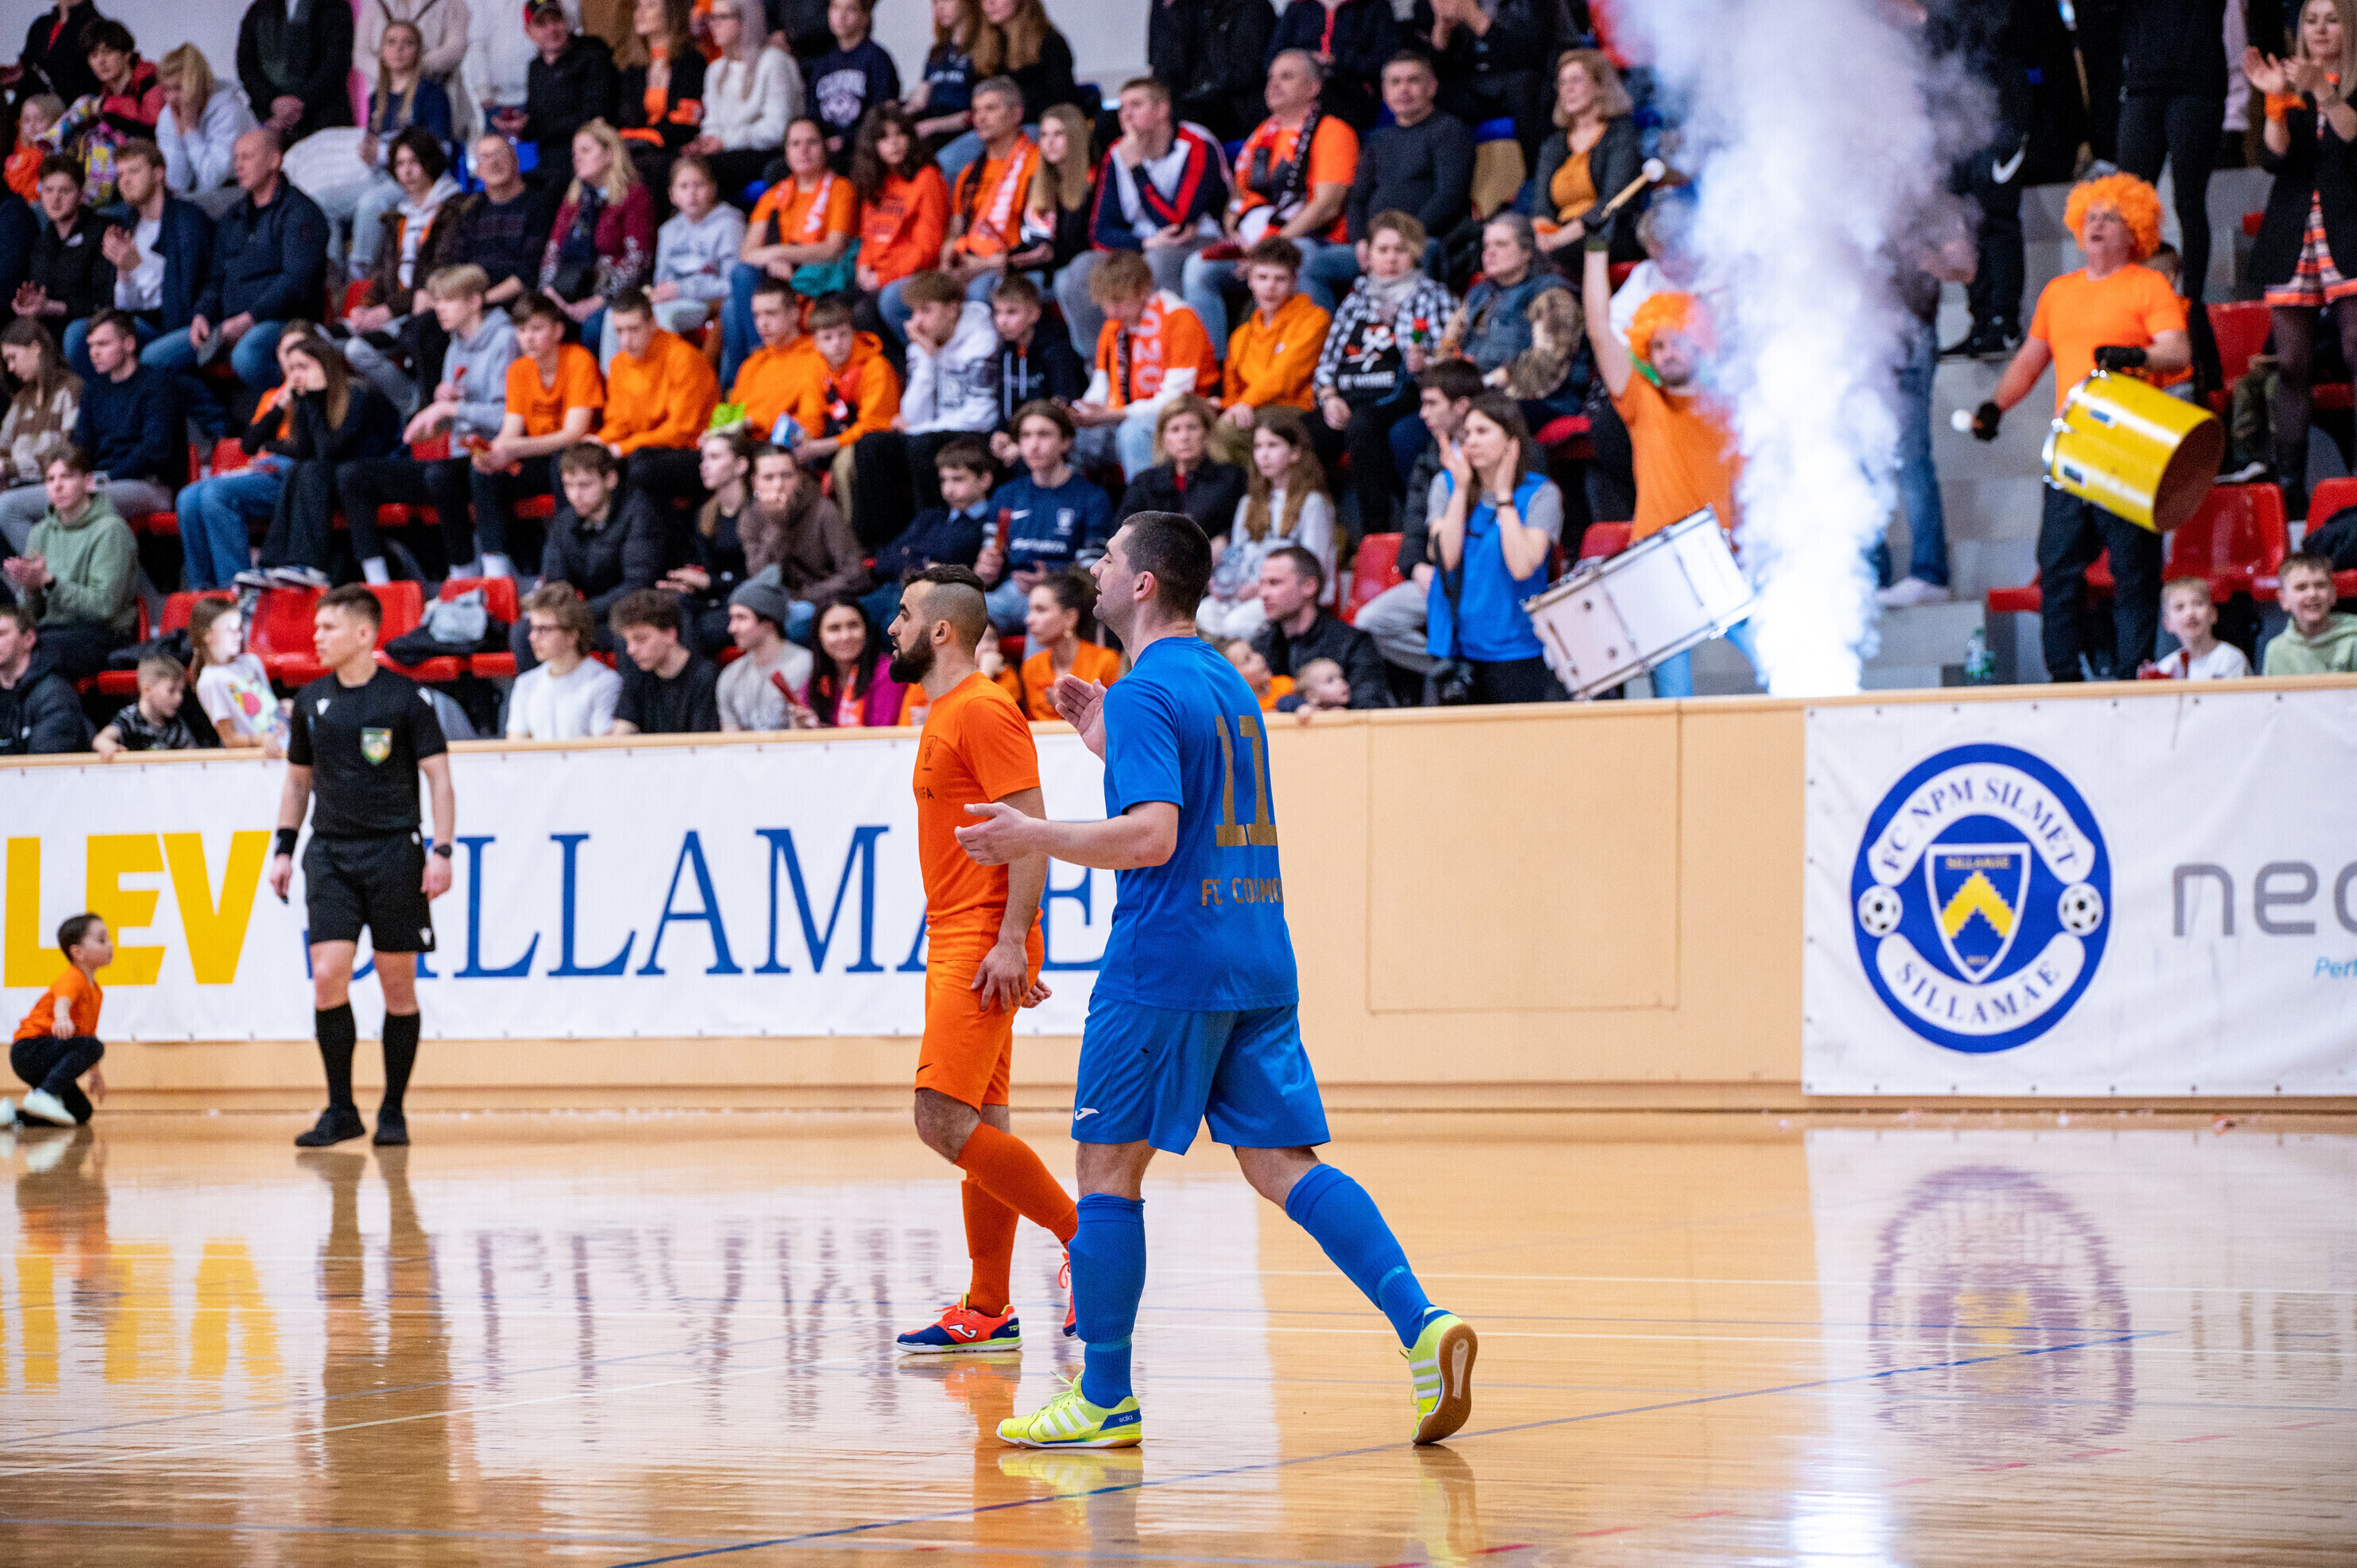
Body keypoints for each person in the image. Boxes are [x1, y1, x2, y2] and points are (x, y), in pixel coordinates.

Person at [957, 510, 1473, 1450]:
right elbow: (1194, 795)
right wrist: (1108, 738)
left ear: (1143, 583)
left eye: (1110, 556)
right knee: (1282, 1165)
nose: (1096, 568)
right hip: (1257, 953)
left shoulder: (1146, 689)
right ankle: (1423, 1326)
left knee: (1106, 1169)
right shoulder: (1227, 681)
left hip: (1166, 962)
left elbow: (1153, 837)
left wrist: (1032, 834)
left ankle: (1104, 1396)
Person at [880, 561, 1080, 1351]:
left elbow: (1030, 833)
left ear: (940, 630)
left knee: (939, 1118)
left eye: (902, 615)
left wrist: (1010, 942)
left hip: (981, 935)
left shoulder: (984, 709)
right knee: (983, 1120)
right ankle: (989, 1305)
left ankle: (1086, 1241)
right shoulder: (944, 710)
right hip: (959, 934)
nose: (891, 627)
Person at [1971, 174, 2191, 681]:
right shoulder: (2058, 291)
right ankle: (2063, 676)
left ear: (2134, 230)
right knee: (2057, 566)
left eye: (2111, 217)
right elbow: (2031, 359)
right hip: (2072, 446)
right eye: (2091, 216)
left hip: (2130, 448)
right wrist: (1996, 405)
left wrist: (2136, 356)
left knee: (2134, 569)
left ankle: (2130, 674)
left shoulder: (2148, 285)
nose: (2097, 224)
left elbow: (2178, 350)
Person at [267, 583, 455, 1149]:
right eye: (316, 627)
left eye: (328, 627)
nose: (317, 637)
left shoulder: (406, 699)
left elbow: (440, 780)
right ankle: (341, 1109)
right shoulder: (310, 700)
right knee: (328, 975)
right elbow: (297, 783)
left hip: (395, 851)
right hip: (329, 853)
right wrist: (283, 849)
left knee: (398, 986)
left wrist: (442, 850)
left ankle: (393, 1108)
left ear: (364, 633)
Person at [1582, 240, 1751, 699]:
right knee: (1673, 700)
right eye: (1656, 346)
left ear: (1699, 342)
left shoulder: (1731, 407)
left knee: (1778, 667)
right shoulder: (1642, 399)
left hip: (1719, 558)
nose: (1666, 354)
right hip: (1656, 560)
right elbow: (1599, 329)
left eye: (1676, 341)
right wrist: (1596, 248)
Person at [337, 265, 519, 584]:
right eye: (436, 301)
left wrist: (452, 407)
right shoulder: (454, 345)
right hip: (459, 456)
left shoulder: (505, 340)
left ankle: (473, 575)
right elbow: (449, 423)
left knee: (443, 475)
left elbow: (509, 416)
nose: (439, 309)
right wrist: (434, 419)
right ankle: (378, 584)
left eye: (448, 300)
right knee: (353, 475)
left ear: (475, 301)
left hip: (499, 457)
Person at [2248, 9, 2357, 516]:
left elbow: (2351, 140)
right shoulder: (2289, 83)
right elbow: (2275, 158)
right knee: (2291, 365)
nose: (2319, 29)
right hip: (2294, 232)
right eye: (2311, 20)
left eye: (2332, 19)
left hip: (2349, 230)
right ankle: (2289, 493)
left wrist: (2324, 93)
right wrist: (2276, 102)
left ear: (2351, 27)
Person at [1185, 49, 1358, 350]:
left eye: (1287, 77)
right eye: (1271, 77)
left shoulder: (1333, 131)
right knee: (1198, 268)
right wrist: (1237, 237)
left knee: (1301, 257)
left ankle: (1322, 362)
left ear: (1313, 88)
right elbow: (1236, 199)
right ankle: (1216, 367)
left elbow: (1326, 206)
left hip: (1315, 241)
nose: (1273, 85)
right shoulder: (1261, 133)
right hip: (1257, 244)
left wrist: (1269, 250)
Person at [149, 128, 330, 395]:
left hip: (284, 322)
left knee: (246, 355)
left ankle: (296, 404)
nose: (238, 166)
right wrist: (202, 314)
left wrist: (250, 318)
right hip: (227, 325)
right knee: (152, 360)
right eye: (236, 158)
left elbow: (296, 282)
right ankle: (212, 416)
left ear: (274, 161)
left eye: (247, 157)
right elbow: (215, 279)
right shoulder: (233, 217)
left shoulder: (300, 212)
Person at [1065, 77, 1230, 357]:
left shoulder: (1196, 143)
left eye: (1136, 105)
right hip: (1145, 242)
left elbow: (1177, 222)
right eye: (1122, 108)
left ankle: (1171, 360)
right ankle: (1102, 365)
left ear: (1162, 109)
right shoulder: (1117, 152)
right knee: (1081, 270)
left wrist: (1137, 170)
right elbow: (1100, 231)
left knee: (1159, 262)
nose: (1126, 115)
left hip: (1200, 238)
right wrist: (1143, 243)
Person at [1314, 211, 1455, 537]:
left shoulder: (1434, 296)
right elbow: (1327, 363)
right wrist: (1329, 396)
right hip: (1349, 396)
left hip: (1404, 396)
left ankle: (1374, 535)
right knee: (1296, 435)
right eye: (1383, 250)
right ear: (1369, 254)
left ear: (1415, 253)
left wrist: (1426, 362)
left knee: (1364, 427)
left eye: (1400, 250)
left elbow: (1450, 364)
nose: (1391, 259)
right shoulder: (1355, 300)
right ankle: (1316, 537)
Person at [1423, 392, 1559, 704]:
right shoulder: (1445, 485)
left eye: (1483, 431)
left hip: (1516, 648)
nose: (1471, 441)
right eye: (1467, 433)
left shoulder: (1541, 494)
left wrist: (1503, 496)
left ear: (1512, 442)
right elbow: (1445, 558)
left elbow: (1522, 566)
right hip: (1455, 651)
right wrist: (1460, 490)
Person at [1312, 53, 1470, 313]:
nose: (1403, 89)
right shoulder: (1378, 139)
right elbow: (1357, 200)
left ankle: (1416, 332)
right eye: (1395, 82)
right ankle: (1332, 332)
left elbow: (1449, 198)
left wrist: (1400, 241)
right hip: (1374, 246)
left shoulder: (1449, 131)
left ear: (1432, 87)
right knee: (1312, 264)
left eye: (1413, 81)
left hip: (1423, 241)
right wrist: (1361, 241)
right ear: (1385, 92)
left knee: (1426, 251)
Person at [1355, 357, 1481, 684]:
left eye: (1431, 403)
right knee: (1371, 621)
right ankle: (1450, 669)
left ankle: (1471, 664)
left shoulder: (1503, 451)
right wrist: (1415, 567)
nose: (1422, 414)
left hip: (1486, 575)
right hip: (1440, 574)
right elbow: (1414, 524)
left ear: (1461, 406)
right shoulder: (1430, 457)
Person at [249, 334, 403, 585]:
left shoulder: (357, 393)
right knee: (299, 469)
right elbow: (305, 450)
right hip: (341, 475)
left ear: (325, 365)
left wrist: (311, 400)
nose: (296, 376)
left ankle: (309, 564)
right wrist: (273, 440)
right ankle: (271, 562)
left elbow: (327, 451)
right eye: (292, 369)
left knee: (311, 469)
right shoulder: (310, 398)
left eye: (303, 367)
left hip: (375, 474)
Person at [174, 322, 314, 589]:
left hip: (292, 477)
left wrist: (271, 447)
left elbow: (304, 449)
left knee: (216, 495)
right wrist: (281, 405)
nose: (293, 360)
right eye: (286, 352)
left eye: (301, 350)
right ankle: (204, 595)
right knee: (187, 498)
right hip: (263, 472)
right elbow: (250, 444)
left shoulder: (319, 394)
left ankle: (236, 589)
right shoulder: (274, 396)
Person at [338, 129, 467, 415]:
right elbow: (384, 274)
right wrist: (367, 306)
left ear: (430, 162)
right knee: (318, 339)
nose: (406, 172)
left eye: (414, 162)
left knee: (356, 350)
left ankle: (412, 405)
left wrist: (386, 311)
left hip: (418, 311)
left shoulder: (453, 208)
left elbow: (437, 273)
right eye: (399, 164)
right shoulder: (399, 214)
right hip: (393, 311)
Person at [863, 268, 1000, 527]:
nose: (916, 322)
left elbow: (982, 415)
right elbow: (914, 416)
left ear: (952, 309)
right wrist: (927, 358)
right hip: (935, 431)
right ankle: (881, 541)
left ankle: (930, 529)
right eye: (913, 311)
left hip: (975, 433)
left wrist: (922, 429)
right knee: (872, 446)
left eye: (926, 310)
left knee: (921, 444)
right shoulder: (923, 341)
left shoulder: (982, 340)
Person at [721, 117, 854, 376]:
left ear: (825, 147)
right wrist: (773, 259)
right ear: (786, 152)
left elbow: (833, 249)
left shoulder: (841, 189)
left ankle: (759, 366)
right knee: (739, 281)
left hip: (815, 280)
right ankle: (743, 379)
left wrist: (779, 253)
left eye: (811, 143)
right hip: (777, 281)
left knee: (731, 309)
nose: (803, 150)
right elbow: (747, 254)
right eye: (795, 144)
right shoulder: (774, 194)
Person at [1076, 249, 1222, 479]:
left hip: (1186, 413)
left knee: (1133, 432)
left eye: (1119, 302)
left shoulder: (1179, 319)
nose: (1111, 312)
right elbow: (1100, 389)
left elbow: (1174, 400)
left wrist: (1112, 415)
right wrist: (1080, 411)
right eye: (1105, 303)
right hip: (1126, 413)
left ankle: (1145, 501)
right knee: (1065, 434)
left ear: (1143, 291)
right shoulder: (1113, 326)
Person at [73, 139, 211, 380]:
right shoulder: (130, 224)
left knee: (145, 354)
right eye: (121, 175)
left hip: (178, 327)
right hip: (139, 324)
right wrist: (124, 274)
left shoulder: (187, 221)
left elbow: (183, 302)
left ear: (158, 174)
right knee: (78, 334)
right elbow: (125, 306)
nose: (125, 181)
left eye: (134, 171)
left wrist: (136, 266)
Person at [3, 446, 137, 679]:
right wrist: (32, 589)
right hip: (51, 631)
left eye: (66, 477)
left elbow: (104, 607)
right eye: (50, 479)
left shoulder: (111, 530)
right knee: (9, 647)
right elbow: (31, 615)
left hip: (102, 635)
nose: (57, 486)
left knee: (37, 654)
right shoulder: (40, 532)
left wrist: (50, 582)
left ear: (88, 482)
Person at [980, 400, 1114, 633]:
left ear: (1066, 441)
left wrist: (1052, 578)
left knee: (1043, 617)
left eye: (1044, 435)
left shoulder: (1092, 497)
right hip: (1011, 592)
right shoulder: (1006, 494)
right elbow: (990, 559)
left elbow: (1092, 572)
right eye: (1026, 436)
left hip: (1063, 596)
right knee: (964, 613)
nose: (1033, 445)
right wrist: (985, 569)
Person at [918, 77, 1036, 337]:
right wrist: (949, 253)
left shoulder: (1036, 163)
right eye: (976, 110)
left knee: (978, 291)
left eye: (991, 109)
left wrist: (984, 265)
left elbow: (1039, 235)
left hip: (1013, 265)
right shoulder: (968, 173)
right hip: (969, 260)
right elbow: (956, 229)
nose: (980, 118)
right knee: (896, 298)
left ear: (1017, 114)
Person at [769, 293, 898, 528]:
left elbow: (874, 425)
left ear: (853, 333)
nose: (836, 343)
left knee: (844, 465)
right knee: (782, 461)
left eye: (843, 334)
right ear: (815, 343)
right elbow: (812, 416)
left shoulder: (876, 367)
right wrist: (800, 441)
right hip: (833, 436)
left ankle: (849, 534)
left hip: (871, 443)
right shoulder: (815, 366)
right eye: (827, 338)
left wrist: (821, 447)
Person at [341, 22, 457, 282]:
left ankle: (358, 281)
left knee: (370, 204)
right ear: (381, 51)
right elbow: (375, 156)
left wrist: (382, 153)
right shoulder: (375, 98)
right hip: (381, 177)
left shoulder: (431, 93)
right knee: (321, 202)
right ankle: (331, 277)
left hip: (415, 180)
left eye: (408, 43)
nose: (399, 49)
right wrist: (368, 157)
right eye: (391, 42)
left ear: (418, 51)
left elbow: (441, 152)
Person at [1204, 411, 1335, 639]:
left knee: (1236, 624)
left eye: (1273, 445)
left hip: (1289, 596)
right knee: (1203, 614)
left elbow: (1313, 565)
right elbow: (1238, 555)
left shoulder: (1312, 503)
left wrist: (1263, 587)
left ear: (1295, 453)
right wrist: (1225, 582)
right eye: (1258, 446)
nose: (1263, 455)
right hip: (1247, 591)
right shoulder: (1248, 503)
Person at [539, 118, 655, 361]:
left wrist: (597, 301)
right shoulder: (573, 199)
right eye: (575, 154)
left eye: (585, 151)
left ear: (610, 154)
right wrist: (551, 295)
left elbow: (638, 260)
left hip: (613, 294)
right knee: (537, 322)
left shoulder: (634, 196)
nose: (577, 159)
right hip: (567, 290)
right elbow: (552, 251)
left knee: (594, 326)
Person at [597, 286, 719, 508]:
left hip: (691, 451)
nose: (625, 340)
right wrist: (599, 442)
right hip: (644, 448)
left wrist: (622, 448)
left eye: (633, 329)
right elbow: (618, 422)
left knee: (639, 465)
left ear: (653, 324)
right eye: (619, 331)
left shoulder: (683, 358)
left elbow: (680, 432)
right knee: (579, 459)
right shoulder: (619, 364)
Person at [863, 434, 993, 628]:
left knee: (890, 625)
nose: (948, 489)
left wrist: (909, 555)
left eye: (958, 479)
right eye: (944, 480)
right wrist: (924, 565)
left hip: (932, 602)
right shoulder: (931, 517)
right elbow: (884, 560)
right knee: (842, 614)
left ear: (985, 479)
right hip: (893, 590)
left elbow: (956, 564)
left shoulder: (988, 524)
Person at [1530, 49, 1640, 273]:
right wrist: (1543, 235)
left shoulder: (1621, 134)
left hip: (1607, 232)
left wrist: (1562, 237)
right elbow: (1541, 205)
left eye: (1576, 80)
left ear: (1600, 86)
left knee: (1556, 256)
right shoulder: (1555, 143)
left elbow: (1614, 203)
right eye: (1562, 83)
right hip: (1560, 235)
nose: (1567, 89)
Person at [68, 309, 181, 525]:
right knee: (9, 506)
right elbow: (81, 444)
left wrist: (108, 476)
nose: (94, 353)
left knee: (76, 501)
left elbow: (154, 451)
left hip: (149, 484)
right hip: (100, 482)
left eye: (103, 344)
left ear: (129, 344)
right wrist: (69, 475)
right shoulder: (93, 390)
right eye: (91, 345)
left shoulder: (157, 385)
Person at [2, 914, 112, 1129]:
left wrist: (95, 1072)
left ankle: (12, 1116)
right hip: (30, 1050)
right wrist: (62, 1018)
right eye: (102, 940)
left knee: (80, 1112)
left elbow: (86, 1036)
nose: (110, 945)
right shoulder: (74, 977)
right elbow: (63, 1001)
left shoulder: (97, 992)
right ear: (78, 952)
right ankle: (44, 1094)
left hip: (44, 1058)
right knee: (95, 1046)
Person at [742, 440, 865, 629]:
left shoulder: (823, 510)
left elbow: (855, 573)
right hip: (777, 605)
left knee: (796, 624)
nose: (778, 485)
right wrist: (776, 525)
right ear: (755, 482)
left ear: (798, 477)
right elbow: (759, 578)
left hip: (826, 601)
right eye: (769, 478)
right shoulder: (750, 518)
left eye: (786, 476)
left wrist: (804, 596)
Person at [1250, 544, 1393, 707]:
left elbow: (1370, 710)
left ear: (1309, 586)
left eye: (1274, 583)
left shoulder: (1353, 644)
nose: (1263, 594)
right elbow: (1241, 713)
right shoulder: (1259, 648)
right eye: (1262, 584)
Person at [682, 0, 799, 198]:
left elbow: (778, 129)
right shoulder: (715, 70)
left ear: (745, 20)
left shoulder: (774, 62)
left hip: (766, 152)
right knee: (679, 165)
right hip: (727, 152)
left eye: (721, 17)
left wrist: (725, 141)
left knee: (705, 172)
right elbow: (712, 123)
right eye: (712, 17)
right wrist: (707, 142)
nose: (713, 24)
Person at [1221, 237, 1329, 437]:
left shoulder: (1314, 319)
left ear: (1294, 282)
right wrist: (1225, 406)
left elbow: (1285, 377)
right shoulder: (1241, 336)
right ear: (1250, 280)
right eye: (1262, 277)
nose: (1270, 286)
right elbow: (1232, 392)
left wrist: (1244, 403)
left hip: (1295, 409)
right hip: (1250, 408)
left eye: (1280, 279)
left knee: (1227, 431)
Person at [507, 0, 622, 183]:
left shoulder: (592, 55)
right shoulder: (536, 68)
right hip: (547, 163)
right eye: (542, 24)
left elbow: (596, 115)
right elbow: (535, 120)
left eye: (556, 20)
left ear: (566, 21)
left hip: (587, 161)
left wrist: (540, 126)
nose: (551, 29)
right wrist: (521, 127)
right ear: (529, 31)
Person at [1445, 214, 1570, 378]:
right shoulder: (1479, 293)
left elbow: (1547, 365)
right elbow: (1448, 342)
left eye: (1501, 244)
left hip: (1521, 391)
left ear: (1527, 252)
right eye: (1486, 246)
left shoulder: (1549, 295)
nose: (1490, 252)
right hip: (1473, 385)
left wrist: (1497, 379)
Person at [852, 105, 951, 307]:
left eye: (899, 134)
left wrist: (884, 277)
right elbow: (869, 238)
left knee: (866, 309)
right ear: (872, 146)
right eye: (884, 138)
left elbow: (928, 248)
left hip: (915, 276)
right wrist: (863, 267)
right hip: (877, 275)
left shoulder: (928, 177)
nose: (894, 143)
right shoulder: (874, 181)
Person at [1424, 0, 1546, 160]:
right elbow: (1439, 71)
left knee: (1524, 86)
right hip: (1473, 87)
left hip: (1516, 85)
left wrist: (1475, 18)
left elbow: (1529, 58)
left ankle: (1536, 169)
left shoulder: (1528, 5)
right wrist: (1442, 28)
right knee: (1431, 92)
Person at [1148, 0, 1276, 145]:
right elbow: (1166, 74)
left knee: (1180, 118)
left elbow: (1242, 73)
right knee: (1151, 115)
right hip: (1195, 101)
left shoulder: (1252, 7)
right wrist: (1176, 14)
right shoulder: (1183, 9)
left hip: (1235, 107)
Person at [0, 319, 80, 550]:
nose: (10, 368)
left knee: (6, 507)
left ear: (36, 347)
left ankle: (47, 568)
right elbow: (3, 446)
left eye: (13, 358)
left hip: (52, 483)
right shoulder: (21, 400)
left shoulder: (71, 389)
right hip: (17, 484)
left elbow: (67, 453)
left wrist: (9, 468)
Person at [1115, 394, 1248, 535]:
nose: (1184, 437)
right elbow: (1121, 534)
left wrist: (1225, 538)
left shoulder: (1232, 478)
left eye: (1192, 428)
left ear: (1207, 433)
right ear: (1162, 438)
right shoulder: (1144, 482)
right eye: (1175, 430)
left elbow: (1245, 526)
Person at [613, 0, 705, 200]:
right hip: (636, 148)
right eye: (639, 6)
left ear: (672, 13)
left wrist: (646, 136)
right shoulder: (633, 68)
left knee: (648, 169)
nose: (640, 13)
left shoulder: (691, 61)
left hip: (674, 149)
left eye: (650, 6)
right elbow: (625, 117)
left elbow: (685, 123)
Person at [987, 273, 1084, 460]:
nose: (1002, 321)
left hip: (1048, 437)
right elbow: (1004, 401)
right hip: (1017, 437)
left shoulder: (1057, 348)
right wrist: (1000, 432)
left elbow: (1061, 405)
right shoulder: (1006, 352)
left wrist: (1022, 445)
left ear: (1034, 314)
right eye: (998, 312)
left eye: (1012, 312)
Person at [647, 154, 745, 338]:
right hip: (672, 300)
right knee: (619, 314)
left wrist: (682, 290)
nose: (692, 193)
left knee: (662, 317)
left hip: (710, 303)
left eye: (699, 185)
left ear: (713, 189)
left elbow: (732, 284)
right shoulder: (667, 231)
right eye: (684, 186)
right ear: (672, 195)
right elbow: (661, 279)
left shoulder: (729, 224)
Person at [508, 582, 624, 736]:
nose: (533, 637)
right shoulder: (525, 684)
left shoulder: (604, 682)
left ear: (572, 635)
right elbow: (516, 746)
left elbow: (603, 747)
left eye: (544, 629)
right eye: (533, 628)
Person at [154, 44, 257, 218]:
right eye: (167, 89)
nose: (171, 98)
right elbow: (177, 183)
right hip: (199, 197)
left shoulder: (229, 111)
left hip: (239, 192)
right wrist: (180, 136)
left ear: (197, 84)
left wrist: (190, 130)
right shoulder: (168, 115)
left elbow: (213, 180)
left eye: (178, 88)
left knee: (182, 214)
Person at [236, 0, 357, 145]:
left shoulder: (334, 6)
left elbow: (336, 64)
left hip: (324, 120)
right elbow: (246, 65)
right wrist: (272, 102)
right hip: (269, 121)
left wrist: (300, 102)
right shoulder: (258, 10)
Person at [1269, 0, 1398, 131]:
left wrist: (1336, 61)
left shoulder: (1374, 7)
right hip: (1301, 89)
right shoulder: (1298, 7)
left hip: (1350, 90)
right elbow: (1271, 59)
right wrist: (1306, 59)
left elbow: (1385, 60)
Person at [17, 156, 113, 334]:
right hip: (47, 334)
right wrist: (30, 304)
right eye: (49, 190)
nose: (55, 199)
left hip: (88, 332)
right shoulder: (42, 241)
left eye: (65, 191)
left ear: (81, 195)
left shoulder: (102, 232)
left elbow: (103, 302)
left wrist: (51, 307)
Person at [605, 585, 721, 731]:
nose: (630, 650)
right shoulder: (637, 677)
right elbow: (622, 732)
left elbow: (702, 741)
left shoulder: (705, 676)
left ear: (670, 635)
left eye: (641, 639)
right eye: (627, 641)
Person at [716, 571, 814, 728]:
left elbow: (803, 735)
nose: (732, 628)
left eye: (741, 618)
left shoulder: (804, 665)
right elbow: (730, 738)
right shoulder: (730, 676)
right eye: (732, 618)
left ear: (769, 621)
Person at [190, 598, 290, 751]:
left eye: (239, 629)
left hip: (285, 745)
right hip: (258, 757)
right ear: (207, 635)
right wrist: (262, 739)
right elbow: (230, 738)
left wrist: (283, 707)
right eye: (230, 629)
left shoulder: (252, 661)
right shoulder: (209, 680)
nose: (239, 636)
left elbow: (268, 709)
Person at [1019, 566, 1119, 719]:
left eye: (1041, 610)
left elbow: (1116, 721)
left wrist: (1070, 708)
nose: (1028, 620)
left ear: (1070, 618)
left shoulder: (1106, 662)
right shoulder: (1031, 667)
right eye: (1030, 610)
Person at [809, 0, 898, 168]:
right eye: (836, 8)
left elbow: (881, 116)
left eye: (850, 9)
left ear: (865, 17)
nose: (841, 16)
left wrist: (845, 141)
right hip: (825, 150)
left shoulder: (877, 59)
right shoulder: (822, 64)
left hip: (862, 150)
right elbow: (813, 115)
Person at [969, 0, 1078, 129]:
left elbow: (1061, 101)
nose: (990, 2)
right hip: (993, 128)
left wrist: (1011, 116)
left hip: (1036, 125)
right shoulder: (984, 47)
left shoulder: (1050, 42)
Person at [804, 592, 905, 724]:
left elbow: (883, 733)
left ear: (867, 630)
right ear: (819, 637)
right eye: (834, 629)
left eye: (853, 625)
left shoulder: (889, 673)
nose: (845, 636)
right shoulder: (815, 684)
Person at [355, 0, 472, 107]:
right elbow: (361, 54)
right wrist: (391, 75)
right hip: (385, 95)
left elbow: (455, 49)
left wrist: (413, 69)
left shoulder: (450, 4)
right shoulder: (375, 6)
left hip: (436, 90)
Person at [906, 0, 979, 162]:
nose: (940, 7)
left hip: (964, 132)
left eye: (946, 0)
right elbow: (919, 101)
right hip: (931, 129)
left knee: (941, 162)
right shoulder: (937, 51)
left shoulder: (983, 49)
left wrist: (933, 125)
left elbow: (977, 113)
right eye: (936, 2)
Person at [2262, 550, 2357, 671]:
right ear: (2283, 600)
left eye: (2320, 585)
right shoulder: (2276, 651)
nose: (2312, 594)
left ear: (2333, 594)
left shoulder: (2353, 641)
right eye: (2301, 587)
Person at [2146, 577, 2252, 679]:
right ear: (2167, 624)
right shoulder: (2165, 668)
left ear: (2213, 614)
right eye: (2180, 607)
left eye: (2198, 603)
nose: (2190, 613)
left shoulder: (2231, 659)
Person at [94, 654, 199, 756]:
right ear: (147, 690)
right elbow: (100, 740)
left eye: (181, 691)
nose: (179, 698)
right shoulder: (130, 718)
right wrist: (107, 746)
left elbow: (192, 753)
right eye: (171, 690)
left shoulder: (175, 724)